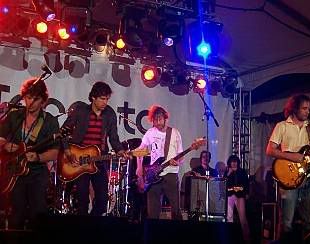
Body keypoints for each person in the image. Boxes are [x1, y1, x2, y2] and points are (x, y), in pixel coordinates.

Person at [0, 78, 60, 229]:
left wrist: (39, 157)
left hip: (37, 173)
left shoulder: (50, 121)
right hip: (14, 172)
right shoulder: (14, 116)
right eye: (28, 97)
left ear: (43, 101)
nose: (31, 102)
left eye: (36, 99)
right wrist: (6, 145)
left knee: (37, 214)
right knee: (15, 214)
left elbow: (54, 152)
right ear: (24, 97)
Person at [62, 81, 127, 216]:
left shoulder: (109, 114)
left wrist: (120, 151)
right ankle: (82, 229)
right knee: (82, 199)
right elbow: (63, 132)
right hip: (79, 160)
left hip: (98, 159)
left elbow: (113, 138)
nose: (105, 102)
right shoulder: (81, 111)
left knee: (103, 200)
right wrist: (68, 152)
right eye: (102, 99)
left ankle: (92, 225)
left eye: (107, 99)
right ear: (93, 97)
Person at [266, 94, 310, 241]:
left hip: (309, 178)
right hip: (288, 179)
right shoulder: (282, 126)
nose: (307, 112)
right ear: (294, 108)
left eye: (309, 109)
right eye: (304, 108)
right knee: (287, 223)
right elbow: (270, 150)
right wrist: (292, 156)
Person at [136, 105, 183, 219]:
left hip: (171, 173)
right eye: (155, 119)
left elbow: (181, 156)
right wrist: (139, 168)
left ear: (165, 118)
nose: (157, 122)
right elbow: (140, 151)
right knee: (152, 210)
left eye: (159, 118)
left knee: (175, 209)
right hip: (154, 174)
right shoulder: (150, 133)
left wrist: (178, 162)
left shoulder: (175, 133)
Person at [224, 154, 250, 241]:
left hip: (240, 195)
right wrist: (228, 173)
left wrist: (246, 193)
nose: (234, 163)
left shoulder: (242, 171)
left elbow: (246, 183)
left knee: (242, 217)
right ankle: (229, 236)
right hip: (229, 195)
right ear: (229, 163)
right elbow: (223, 183)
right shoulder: (227, 171)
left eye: (235, 161)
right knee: (229, 217)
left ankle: (246, 238)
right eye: (232, 161)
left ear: (238, 162)